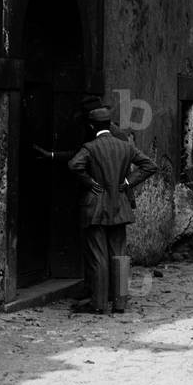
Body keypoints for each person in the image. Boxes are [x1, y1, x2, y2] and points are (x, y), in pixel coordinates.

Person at [67, 107, 156, 314]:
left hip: (95, 207)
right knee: (119, 255)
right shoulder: (125, 146)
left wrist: (89, 182)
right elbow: (150, 166)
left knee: (98, 256)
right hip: (120, 206)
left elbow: (73, 165)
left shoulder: (90, 147)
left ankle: (98, 304)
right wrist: (127, 182)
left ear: (91, 126)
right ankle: (120, 303)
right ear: (110, 126)